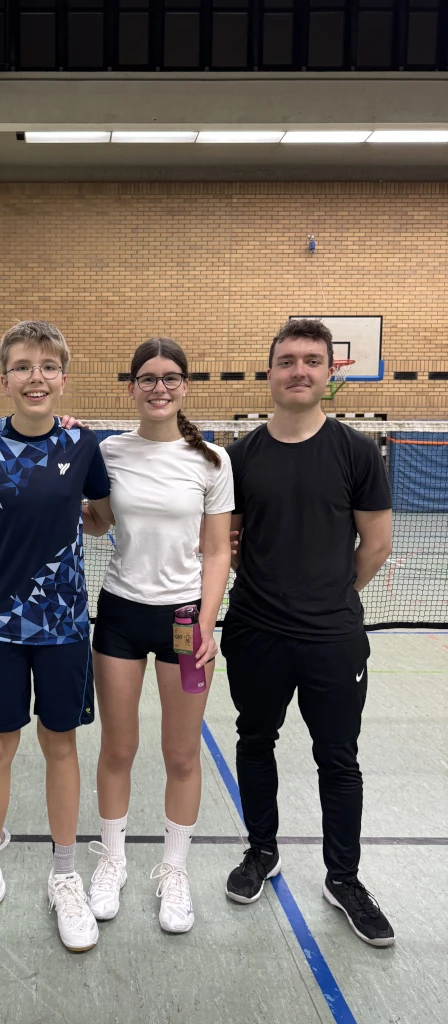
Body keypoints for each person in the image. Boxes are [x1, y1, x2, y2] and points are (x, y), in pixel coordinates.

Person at [0, 321, 112, 953]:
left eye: (47, 366)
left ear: (62, 377)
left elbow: (101, 519)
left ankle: (65, 876)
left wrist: (67, 515)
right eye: (22, 366)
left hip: (64, 625)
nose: (35, 377)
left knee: (61, 745)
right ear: (4, 378)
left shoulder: (84, 445)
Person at [222, 318, 395, 947]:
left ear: (329, 372)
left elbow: (376, 545)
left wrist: (331, 596)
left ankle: (343, 878)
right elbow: (229, 544)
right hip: (255, 633)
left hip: (332, 640)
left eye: (312, 360)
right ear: (270, 372)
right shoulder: (239, 456)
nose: (300, 370)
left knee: (338, 758)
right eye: (288, 360)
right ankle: (261, 852)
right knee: (255, 740)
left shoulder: (356, 452)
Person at [81, 337, 234, 932]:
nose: (159, 387)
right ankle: (112, 860)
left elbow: (218, 551)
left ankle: (174, 870)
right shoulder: (109, 452)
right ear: (132, 388)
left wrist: (207, 620)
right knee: (118, 749)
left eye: (170, 377)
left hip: (184, 622)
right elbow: (98, 524)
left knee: (181, 753)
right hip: (120, 613)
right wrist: (63, 477)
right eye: (148, 378)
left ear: (185, 386)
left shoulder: (212, 461)